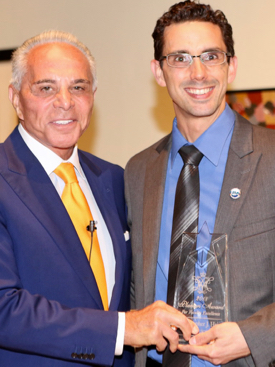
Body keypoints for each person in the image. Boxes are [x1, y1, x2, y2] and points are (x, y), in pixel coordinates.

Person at [0, 30, 197, 367]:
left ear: (93, 96)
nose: (65, 101)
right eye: (46, 88)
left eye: (78, 87)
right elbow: (5, 309)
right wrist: (124, 329)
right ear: (16, 98)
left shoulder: (112, 177)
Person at [125, 1, 275, 367]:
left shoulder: (271, 160)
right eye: (179, 58)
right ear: (159, 72)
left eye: (211, 56)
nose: (197, 73)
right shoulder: (138, 171)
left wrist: (253, 337)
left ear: (231, 66)